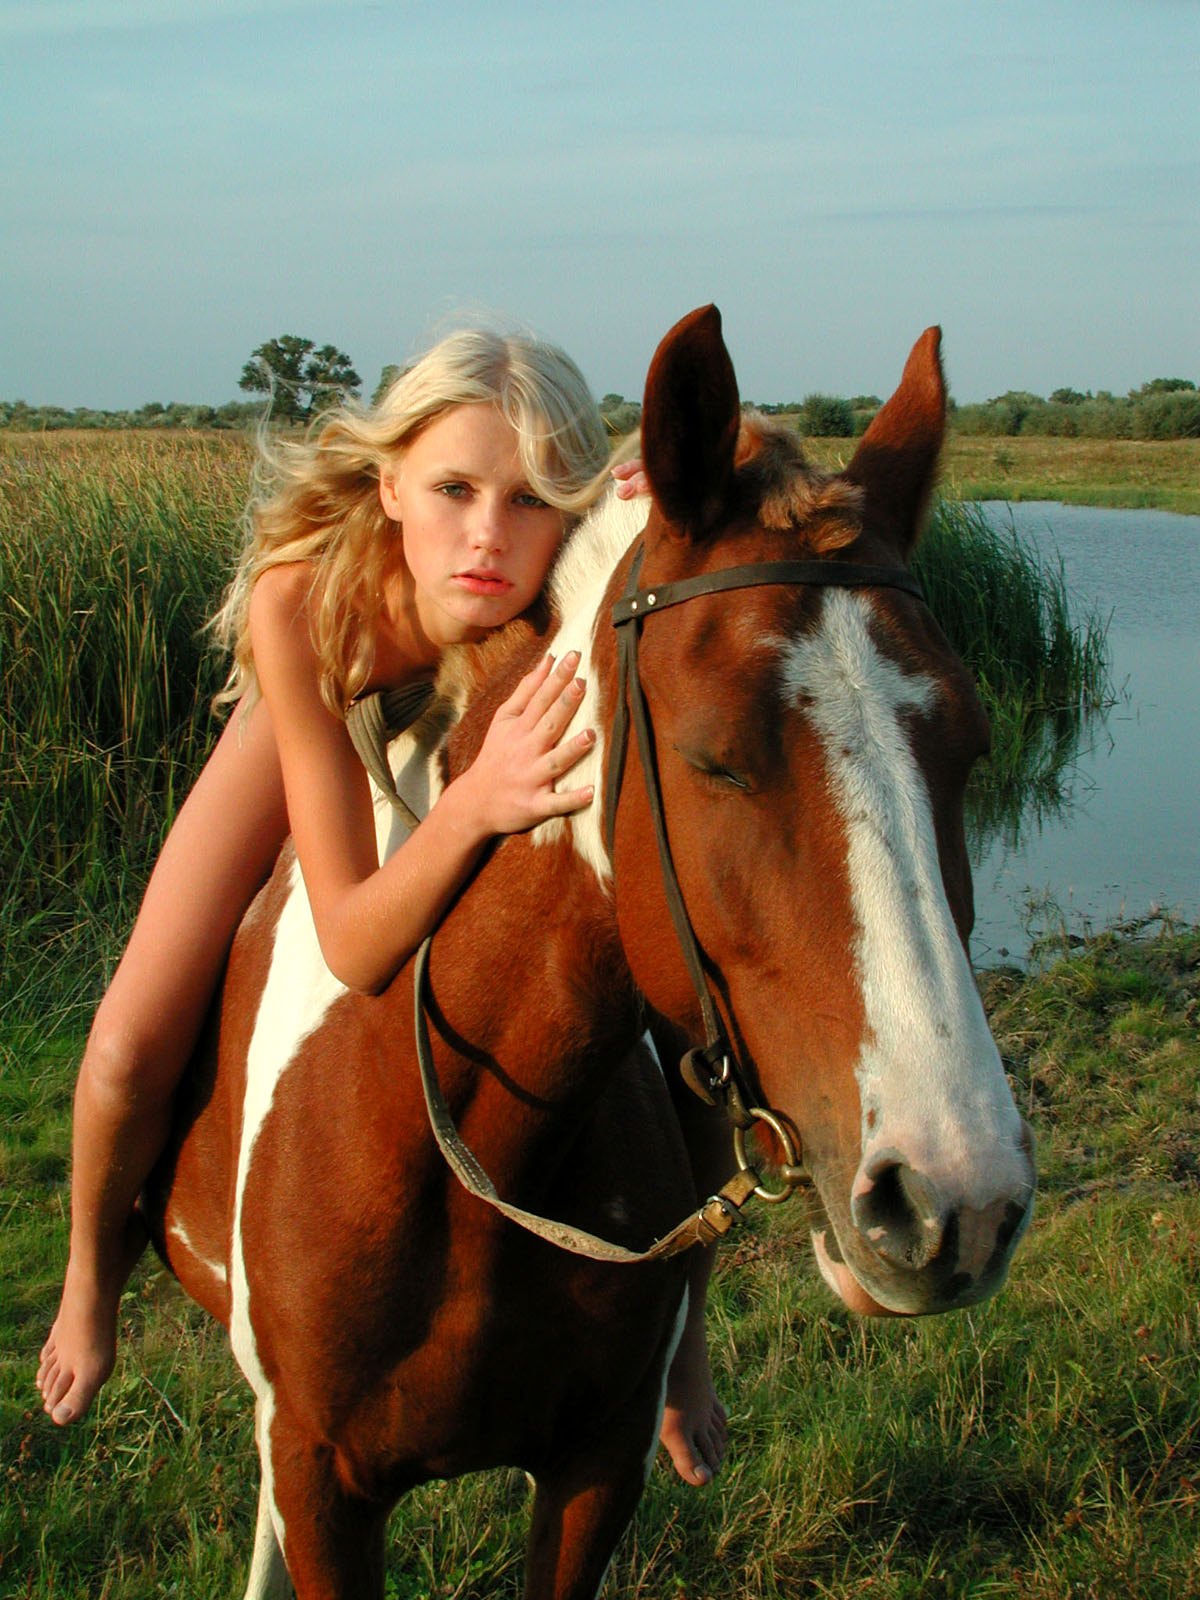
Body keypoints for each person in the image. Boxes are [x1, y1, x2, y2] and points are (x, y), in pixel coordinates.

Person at [36, 327, 726, 1487]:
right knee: (120, 1047)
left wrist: (667, 493)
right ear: (390, 481)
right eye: (453, 488)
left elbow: (699, 520)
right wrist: (473, 810)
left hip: (478, 725)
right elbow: (354, 938)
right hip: (323, 713)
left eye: (531, 499)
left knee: (675, 1037)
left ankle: (683, 1347)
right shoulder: (300, 599)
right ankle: (86, 1283)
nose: (489, 536)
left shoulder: (559, 566)